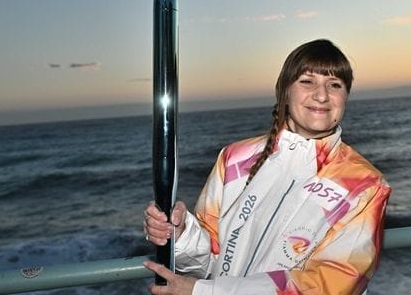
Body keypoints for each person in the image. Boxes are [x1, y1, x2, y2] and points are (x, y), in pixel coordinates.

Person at [143, 38, 391, 295]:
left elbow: (333, 283)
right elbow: (208, 262)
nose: (321, 95)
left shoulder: (365, 185)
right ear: (284, 91)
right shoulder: (234, 159)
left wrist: (204, 292)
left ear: (346, 96)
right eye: (307, 81)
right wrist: (181, 233)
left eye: (334, 85)